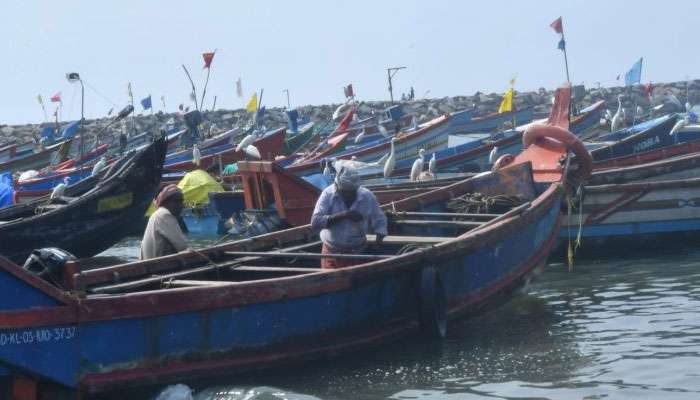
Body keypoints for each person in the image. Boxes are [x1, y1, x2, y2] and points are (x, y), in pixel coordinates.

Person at [311, 167, 387, 269]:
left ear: (356, 189)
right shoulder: (327, 194)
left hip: (358, 252)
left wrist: (377, 243)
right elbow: (316, 222)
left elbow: (380, 221)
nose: (348, 195)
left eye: (351, 192)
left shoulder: (367, 196)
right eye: (344, 192)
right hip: (331, 252)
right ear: (337, 186)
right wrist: (344, 215)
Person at [141, 185, 189, 260]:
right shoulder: (164, 215)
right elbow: (182, 246)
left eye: (181, 201)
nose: (181, 205)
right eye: (177, 201)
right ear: (165, 202)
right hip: (159, 266)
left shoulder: (157, 214)